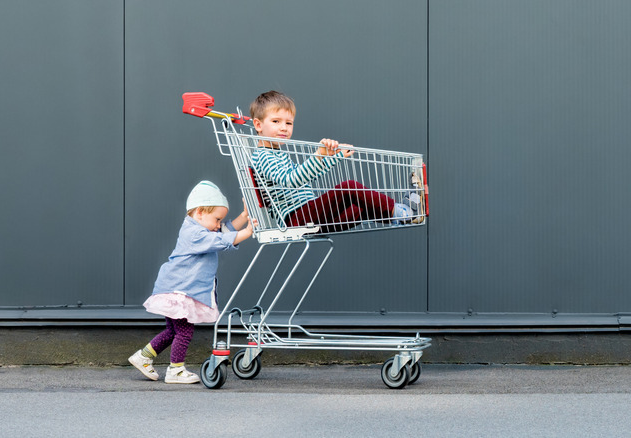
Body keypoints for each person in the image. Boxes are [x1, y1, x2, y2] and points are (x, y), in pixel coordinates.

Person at [128, 181, 254, 384]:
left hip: (174, 289)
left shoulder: (201, 229)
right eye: (216, 219)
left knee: (173, 331)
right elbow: (220, 240)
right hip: (179, 291)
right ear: (200, 212)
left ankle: (143, 357)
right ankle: (175, 370)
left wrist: (243, 218)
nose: (218, 224)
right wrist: (246, 233)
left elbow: (224, 231)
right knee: (185, 332)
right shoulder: (194, 234)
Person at [249, 90, 418, 234]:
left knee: (358, 209)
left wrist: (334, 158)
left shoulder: (276, 154)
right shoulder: (264, 156)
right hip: (297, 217)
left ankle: (403, 215)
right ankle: (403, 212)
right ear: (258, 124)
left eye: (289, 123)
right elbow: (291, 181)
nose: (284, 128)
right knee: (349, 188)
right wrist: (318, 155)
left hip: (309, 214)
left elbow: (306, 177)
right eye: (276, 121)